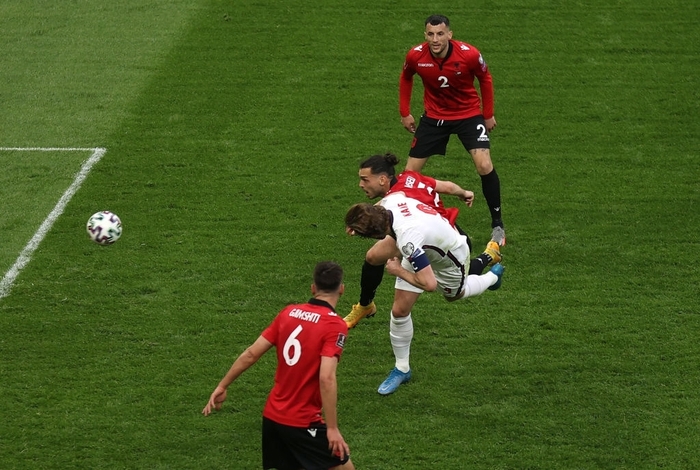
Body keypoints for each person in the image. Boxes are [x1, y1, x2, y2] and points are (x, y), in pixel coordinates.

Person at [202, 261, 355, 470]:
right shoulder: (334, 325)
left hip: (273, 417)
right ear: (342, 289)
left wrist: (222, 385)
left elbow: (250, 354)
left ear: (313, 287)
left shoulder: (288, 313)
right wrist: (332, 428)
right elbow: (326, 378)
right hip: (303, 422)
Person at [345, 197, 504, 395]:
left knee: (455, 295)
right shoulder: (390, 202)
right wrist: (356, 222)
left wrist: (398, 270)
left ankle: (491, 274)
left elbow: (430, 284)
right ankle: (402, 369)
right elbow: (375, 208)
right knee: (399, 310)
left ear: (376, 234)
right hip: (424, 247)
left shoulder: (407, 240)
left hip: (450, 258)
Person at [344, 152, 501, 329]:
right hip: (430, 234)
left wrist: (397, 270)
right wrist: (464, 193)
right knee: (374, 257)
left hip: (446, 242)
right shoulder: (407, 178)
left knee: (453, 288)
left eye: (365, 180)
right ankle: (365, 305)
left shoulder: (397, 199)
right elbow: (446, 187)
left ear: (382, 180)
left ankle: (488, 256)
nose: (361, 185)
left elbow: (383, 212)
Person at [399, 14, 506, 246]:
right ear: (425, 35)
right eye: (430, 34)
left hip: (468, 115)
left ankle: (497, 224)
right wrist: (404, 111)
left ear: (450, 34)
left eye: (440, 34)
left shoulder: (469, 54)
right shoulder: (416, 56)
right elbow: (406, 77)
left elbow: (485, 78)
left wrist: (487, 114)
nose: (435, 39)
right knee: (409, 176)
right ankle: (406, 223)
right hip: (435, 117)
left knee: (484, 165)